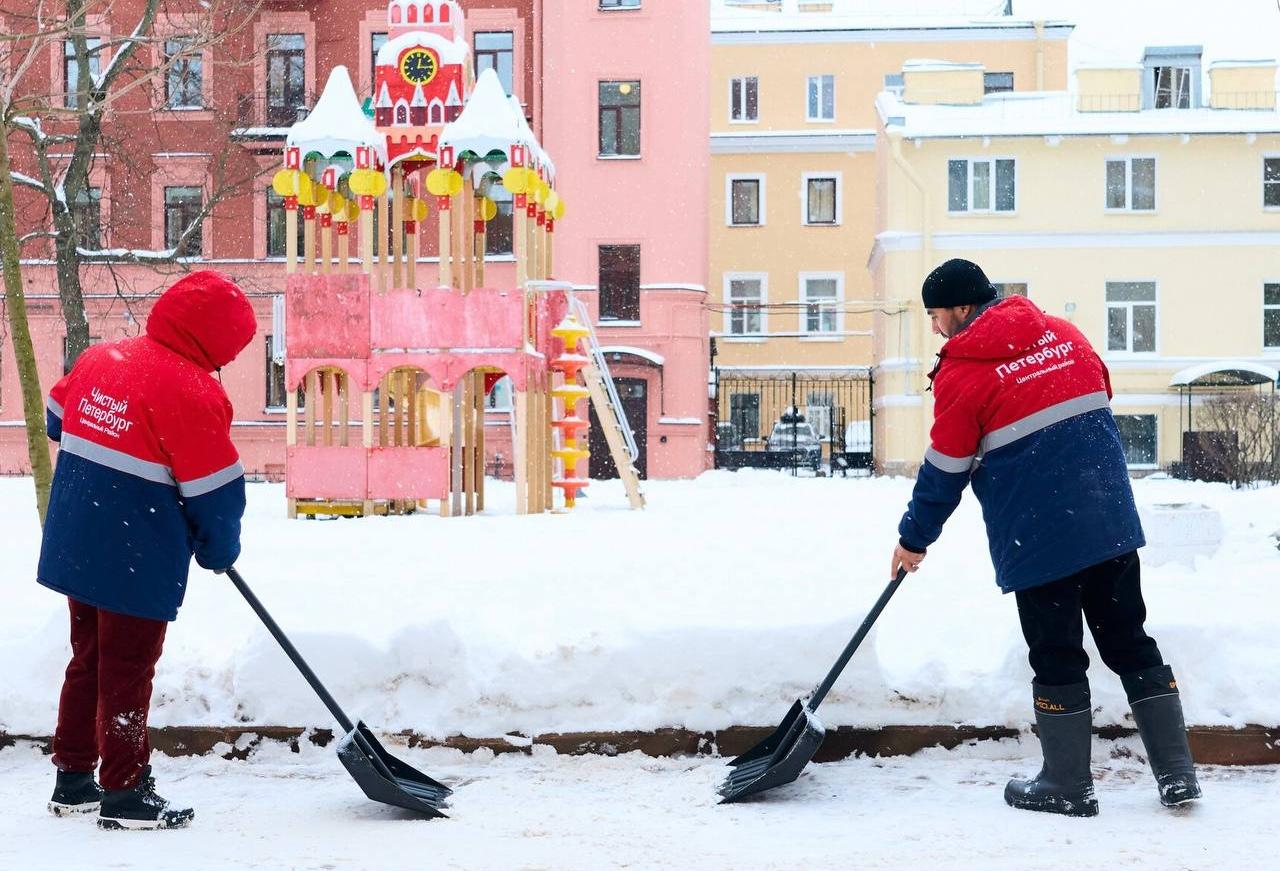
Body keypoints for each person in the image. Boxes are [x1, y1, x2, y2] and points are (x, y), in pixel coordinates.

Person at [889, 258, 1200, 817]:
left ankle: (1067, 784)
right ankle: (1178, 777)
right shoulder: (1064, 333)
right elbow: (1100, 390)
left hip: (1038, 536)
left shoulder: (963, 373)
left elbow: (945, 467)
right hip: (1106, 518)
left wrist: (914, 538)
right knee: (1129, 639)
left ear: (962, 309)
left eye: (936, 316)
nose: (935, 328)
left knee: (1057, 654)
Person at [39, 270, 256, 830]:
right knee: (127, 671)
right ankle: (126, 792)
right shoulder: (194, 390)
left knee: (87, 658)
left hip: (78, 541)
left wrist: (119, 432)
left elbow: (56, 419)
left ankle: (74, 780)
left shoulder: (101, 357)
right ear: (215, 342)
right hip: (134, 552)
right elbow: (216, 492)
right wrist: (218, 548)